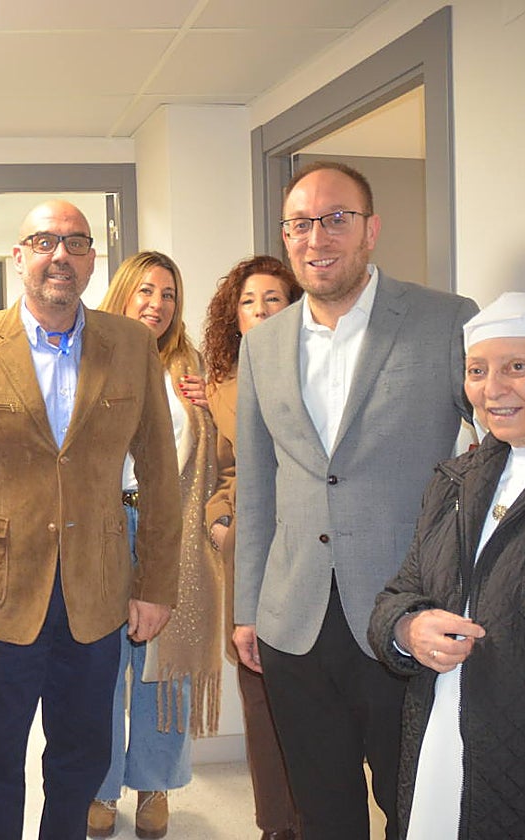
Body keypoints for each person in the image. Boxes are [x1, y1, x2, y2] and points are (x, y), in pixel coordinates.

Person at [233, 160, 479, 839]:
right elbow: (257, 484)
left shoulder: (445, 320)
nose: (318, 238)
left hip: (407, 614)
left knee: (415, 806)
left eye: (336, 219)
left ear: (371, 230)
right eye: (300, 224)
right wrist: (248, 607)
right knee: (322, 810)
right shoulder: (264, 345)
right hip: (294, 619)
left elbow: (498, 445)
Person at [0, 200, 182, 840]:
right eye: (44, 241)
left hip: (98, 593)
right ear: (19, 257)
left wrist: (155, 584)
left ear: (93, 260)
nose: (60, 255)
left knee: (81, 756)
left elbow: (159, 473)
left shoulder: (132, 345)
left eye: (75, 242)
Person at [369, 291, 525, 840]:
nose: (493, 389)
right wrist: (407, 629)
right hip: (440, 738)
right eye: (477, 370)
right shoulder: (454, 481)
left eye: (517, 367)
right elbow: (399, 593)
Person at [87, 252, 223, 840]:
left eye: (168, 294)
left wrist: (210, 406)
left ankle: (155, 785)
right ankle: (99, 785)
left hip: (167, 528)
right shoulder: (89, 353)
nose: (157, 304)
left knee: (163, 666)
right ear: (122, 292)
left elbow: (214, 456)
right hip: (102, 527)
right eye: (145, 290)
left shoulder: (189, 368)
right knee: (100, 664)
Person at [200, 255, 302, 840]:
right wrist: (220, 521)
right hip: (250, 550)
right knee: (259, 691)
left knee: (309, 693)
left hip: (310, 547)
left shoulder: (319, 369)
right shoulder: (219, 388)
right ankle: (276, 825)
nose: (260, 311)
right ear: (233, 316)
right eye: (248, 302)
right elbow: (220, 472)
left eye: (273, 300)